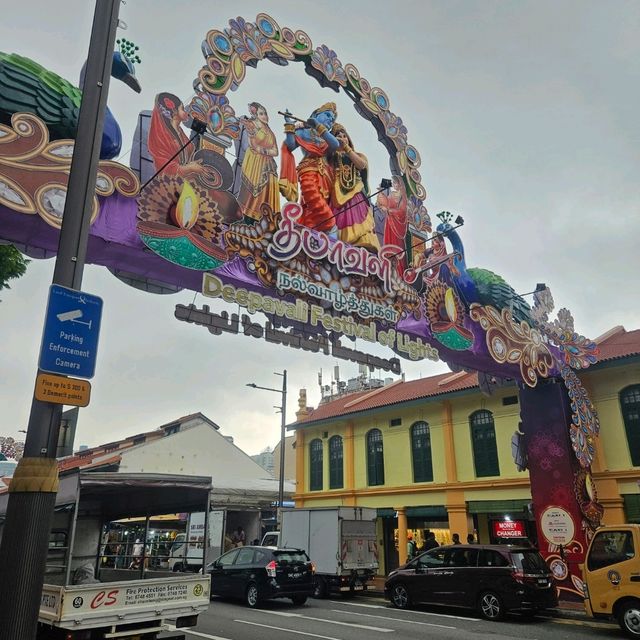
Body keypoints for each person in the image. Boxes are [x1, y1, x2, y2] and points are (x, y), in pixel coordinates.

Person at [279, 102, 340, 235]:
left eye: (333, 119)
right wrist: (289, 124)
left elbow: (335, 144)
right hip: (309, 169)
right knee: (312, 197)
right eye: (327, 115)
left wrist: (319, 127)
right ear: (314, 115)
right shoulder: (303, 131)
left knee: (314, 206)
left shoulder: (326, 138)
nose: (330, 119)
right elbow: (290, 145)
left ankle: (312, 231)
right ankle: (331, 229)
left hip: (327, 176)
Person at [329, 123, 380, 251]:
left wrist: (346, 148)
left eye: (344, 136)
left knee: (359, 217)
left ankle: (362, 244)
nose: (342, 138)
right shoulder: (331, 157)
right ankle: (338, 246)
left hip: (356, 194)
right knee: (336, 221)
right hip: (336, 195)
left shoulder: (358, 156)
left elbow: (361, 165)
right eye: (338, 136)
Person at [147, 91, 211, 180]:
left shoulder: (179, 131)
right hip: (171, 185)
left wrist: (192, 164)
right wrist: (190, 168)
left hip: (187, 178)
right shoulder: (161, 138)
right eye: (183, 109)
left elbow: (186, 157)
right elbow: (166, 169)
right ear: (174, 111)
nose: (186, 112)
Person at [236, 102, 280, 221]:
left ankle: (266, 220)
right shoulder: (252, 125)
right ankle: (245, 218)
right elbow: (252, 145)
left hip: (268, 166)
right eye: (261, 114)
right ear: (256, 115)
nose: (264, 116)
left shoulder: (270, 133)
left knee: (267, 195)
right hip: (254, 163)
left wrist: (263, 151)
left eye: (265, 113)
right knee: (249, 194)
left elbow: (276, 151)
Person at [377, 174, 408, 273]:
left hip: (397, 227)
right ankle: (387, 268)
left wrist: (389, 210)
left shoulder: (403, 197)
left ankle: (398, 271)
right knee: (388, 244)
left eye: (395, 182)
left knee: (396, 247)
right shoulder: (391, 194)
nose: (394, 185)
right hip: (389, 224)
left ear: (400, 184)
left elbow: (402, 211)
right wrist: (381, 192)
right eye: (393, 183)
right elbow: (386, 204)